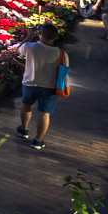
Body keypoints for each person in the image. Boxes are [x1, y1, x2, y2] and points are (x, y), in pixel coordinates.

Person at [16, 22, 69, 150]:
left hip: (30, 83)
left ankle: (24, 130)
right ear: (56, 37)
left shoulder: (30, 47)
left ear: (39, 34)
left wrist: (28, 36)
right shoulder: (61, 53)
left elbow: (18, 50)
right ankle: (38, 141)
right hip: (50, 87)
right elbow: (65, 69)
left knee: (27, 106)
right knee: (44, 114)